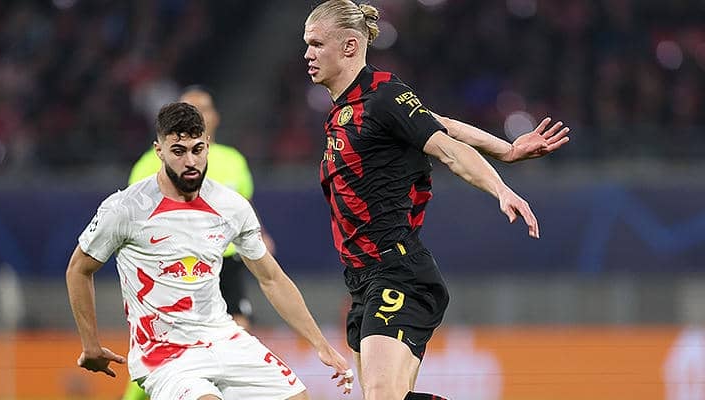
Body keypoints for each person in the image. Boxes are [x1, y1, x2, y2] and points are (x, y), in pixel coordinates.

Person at [303, 1, 570, 400]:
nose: (307, 54)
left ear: (349, 46)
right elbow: (440, 121)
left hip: (397, 273)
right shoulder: (349, 109)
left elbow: (448, 148)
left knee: (382, 396)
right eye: (307, 44)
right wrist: (507, 149)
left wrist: (500, 187)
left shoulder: (384, 96)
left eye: (316, 44)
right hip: (362, 279)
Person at [66, 102, 354, 400]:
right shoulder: (126, 208)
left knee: (297, 397)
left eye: (197, 149)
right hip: (165, 353)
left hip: (223, 337)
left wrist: (321, 344)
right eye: (178, 151)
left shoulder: (231, 205)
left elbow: (271, 278)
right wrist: (90, 344)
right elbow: (78, 269)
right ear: (159, 151)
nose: (190, 161)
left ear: (208, 145)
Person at [122, 87, 263, 400]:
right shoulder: (148, 164)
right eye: (191, 108)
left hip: (225, 263)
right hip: (173, 267)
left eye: (205, 108)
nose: (199, 115)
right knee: (167, 351)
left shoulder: (233, 161)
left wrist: (259, 235)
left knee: (237, 338)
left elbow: (244, 208)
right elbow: (135, 218)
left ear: (215, 117)